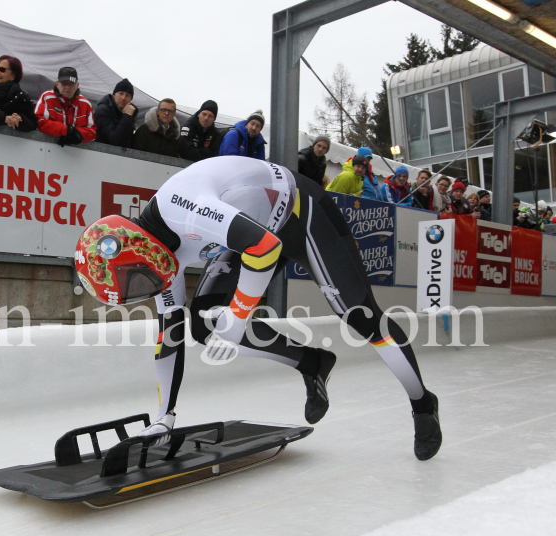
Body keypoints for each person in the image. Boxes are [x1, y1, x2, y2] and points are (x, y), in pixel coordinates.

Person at [74, 157, 442, 460]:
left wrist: (239, 315)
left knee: (359, 316)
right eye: (136, 291)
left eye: (138, 283)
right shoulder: (154, 262)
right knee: (205, 326)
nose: (149, 289)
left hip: (303, 213)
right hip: (256, 229)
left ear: (137, 252)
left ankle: (422, 402)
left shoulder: (184, 207)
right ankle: (312, 364)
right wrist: (163, 417)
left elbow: (264, 248)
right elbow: (169, 338)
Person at [35, 66, 96, 146]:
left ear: (77, 85)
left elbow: (93, 132)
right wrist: (65, 130)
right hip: (45, 149)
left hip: (75, 154)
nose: (67, 87)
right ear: (57, 84)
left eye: (71, 84)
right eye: (64, 83)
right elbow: (38, 122)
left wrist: (76, 135)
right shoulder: (47, 97)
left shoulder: (85, 104)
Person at [94, 79, 138, 147]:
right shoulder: (103, 110)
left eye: (127, 95)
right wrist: (127, 116)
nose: (123, 98)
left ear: (130, 99)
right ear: (114, 94)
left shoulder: (131, 114)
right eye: (121, 93)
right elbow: (114, 140)